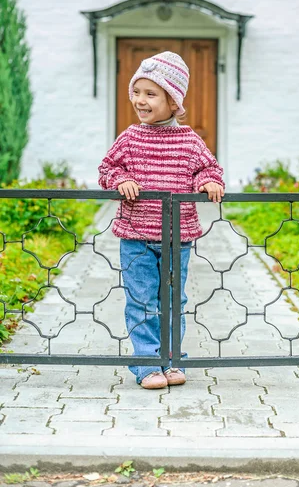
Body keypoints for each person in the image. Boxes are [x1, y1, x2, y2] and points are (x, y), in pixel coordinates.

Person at [98, 51, 225, 389]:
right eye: (136, 92)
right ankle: (146, 365)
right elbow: (107, 169)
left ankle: (170, 361)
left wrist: (207, 182)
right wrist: (119, 180)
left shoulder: (189, 140)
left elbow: (209, 169)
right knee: (141, 299)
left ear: (173, 101)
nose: (140, 100)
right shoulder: (129, 138)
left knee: (172, 300)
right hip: (136, 235)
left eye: (150, 93)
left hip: (176, 238)